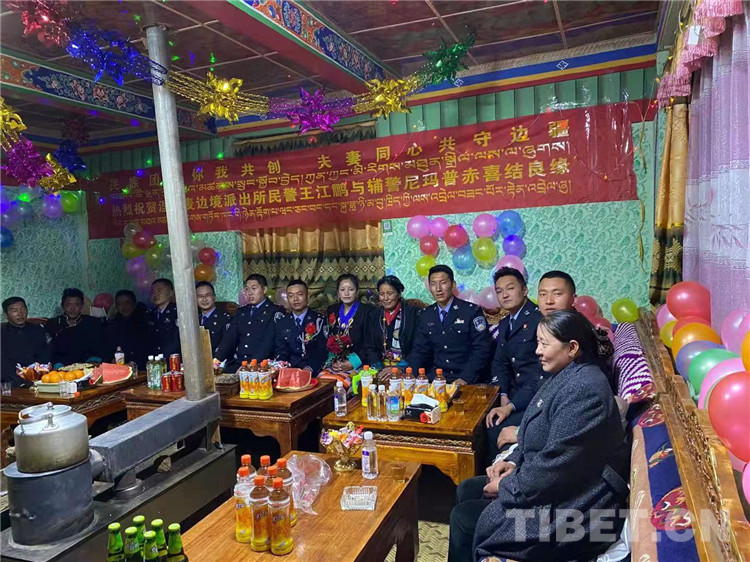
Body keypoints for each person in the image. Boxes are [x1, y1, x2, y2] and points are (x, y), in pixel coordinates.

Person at [449, 310, 629, 562]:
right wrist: (512, 462)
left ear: (572, 348)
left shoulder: (586, 392)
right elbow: (538, 434)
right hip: (560, 489)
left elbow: (556, 465)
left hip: (580, 511)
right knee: (467, 488)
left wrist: (507, 486)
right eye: (537, 342)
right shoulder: (568, 374)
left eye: (544, 344)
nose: (537, 351)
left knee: (464, 519)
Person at [484, 267, 546, 460]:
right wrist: (503, 394)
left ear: (524, 290)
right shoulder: (505, 323)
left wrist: (511, 405)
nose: (505, 295)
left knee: (496, 426)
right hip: (514, 392)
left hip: (536, 396)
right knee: (482, 420)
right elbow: (499, 363)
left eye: (510, 288)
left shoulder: (540, 320)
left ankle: (504, 472)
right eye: (499, 291)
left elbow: (540, 375)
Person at [406, 265, 491, 384]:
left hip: (466, 378)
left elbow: (482, 349)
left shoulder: (471, 311)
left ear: (453, 285)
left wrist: (466, 378)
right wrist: (409, 376)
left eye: (443, 283)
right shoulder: (426, 315)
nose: (438, 289)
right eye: (433, 284)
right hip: (436, 379)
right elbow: (419, 351)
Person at [215, 274, 283, 372]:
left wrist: (251, 366)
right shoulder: (242, 312)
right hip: (239, 363)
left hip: (262, 366)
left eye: (254, 288)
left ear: (264, 290)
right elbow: (229, 339)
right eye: (247, 289)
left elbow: (267, 344)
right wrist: (216, 360)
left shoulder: (274, 311)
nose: (250, 293)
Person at [318, 274, 376, 386]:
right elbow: (329, 338)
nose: (346, 293)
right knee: (321, 383)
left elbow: (371, 342)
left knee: (340, 384)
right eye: (342, 290)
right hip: (336, 362)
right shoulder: (333, 309)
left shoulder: (367, 311)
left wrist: (352, 362)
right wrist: (334, 362)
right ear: (338, 293)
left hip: (359, 362)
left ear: (357, 291)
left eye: (351, 289)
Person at [365, 275, 421, 380]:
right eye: (382, 294)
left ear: (399, 294)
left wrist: (400, 369)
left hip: (406, 367)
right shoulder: (374, 315)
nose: (385, 298)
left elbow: (418, 347)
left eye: (390, 293)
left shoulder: (413, 314)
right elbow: (370, 346)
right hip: (381, 368)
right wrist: (378, 368)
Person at [274, 279, 328, 374]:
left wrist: (310, 368)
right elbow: (281, 350)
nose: (295, 299)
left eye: (299, 294)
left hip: (313, 370)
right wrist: (282, 366)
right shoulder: (282, 322)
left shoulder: (318, 320)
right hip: (289, 371)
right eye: (291, 295)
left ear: (307, 296)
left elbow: (322, 350)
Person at [46, 288, 106, 365]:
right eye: (68, 305)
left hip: (88, 363)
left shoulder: (93, 322)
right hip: (61, 365)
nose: (73, 309)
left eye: (77, 305)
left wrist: (94, 360)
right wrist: (57, 365)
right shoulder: (53, 324)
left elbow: (100, 347)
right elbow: (49, 350)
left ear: (82, 305)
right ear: (62, 306)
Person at [1, 297, 50, 386]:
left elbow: (46, 353)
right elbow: (3, 364)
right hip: (13, 382)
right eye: (14, 310)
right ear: (5, 314)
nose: (20, 314)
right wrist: (21, 379)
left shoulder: (38, 329)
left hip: (40, 379)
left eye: (23, 309)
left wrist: (41, 373)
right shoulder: (2, 333)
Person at [106, 290, 148, 369]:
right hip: (120, 367)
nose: (124, 307)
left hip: (141, 367)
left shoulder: (145, 322)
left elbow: (145, 347)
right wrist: (112, 359)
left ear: (134, 304)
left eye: (127, 303)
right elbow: (109, 348)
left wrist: (134, 361)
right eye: (120, 304)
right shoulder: (113, 325)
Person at [145, 278, 180, 358]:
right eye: (153, 291)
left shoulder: (178, 313)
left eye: (159, 291)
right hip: (154, 361)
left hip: (174, 360)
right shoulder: (150, 315)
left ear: (170, 293)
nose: (155, 294)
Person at [196, 281, 232, 355]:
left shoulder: (224, 319)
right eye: (200, 296)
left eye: (207, 295)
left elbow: (227, 346)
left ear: (214, 297)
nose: (204, 299)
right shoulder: (194, 320)